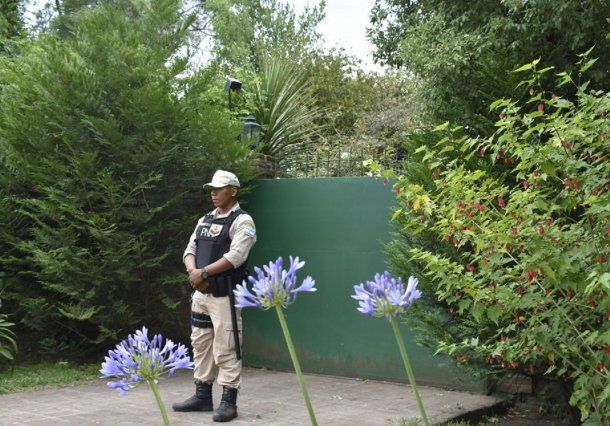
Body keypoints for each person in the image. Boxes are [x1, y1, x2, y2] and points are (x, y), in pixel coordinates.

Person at [172, 170, 256, 423]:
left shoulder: (243, 221)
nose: (213, 192)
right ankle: (202, 395)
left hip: (224, 296)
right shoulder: (205, 220)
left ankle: (229, 402)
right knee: (201, 342)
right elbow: (190, 248)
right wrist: (193, 272)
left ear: (233, 190)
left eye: (219, 188)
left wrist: (203, 272)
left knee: (227, 345)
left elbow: (236, 257)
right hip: (201, 294)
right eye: (212, 188)